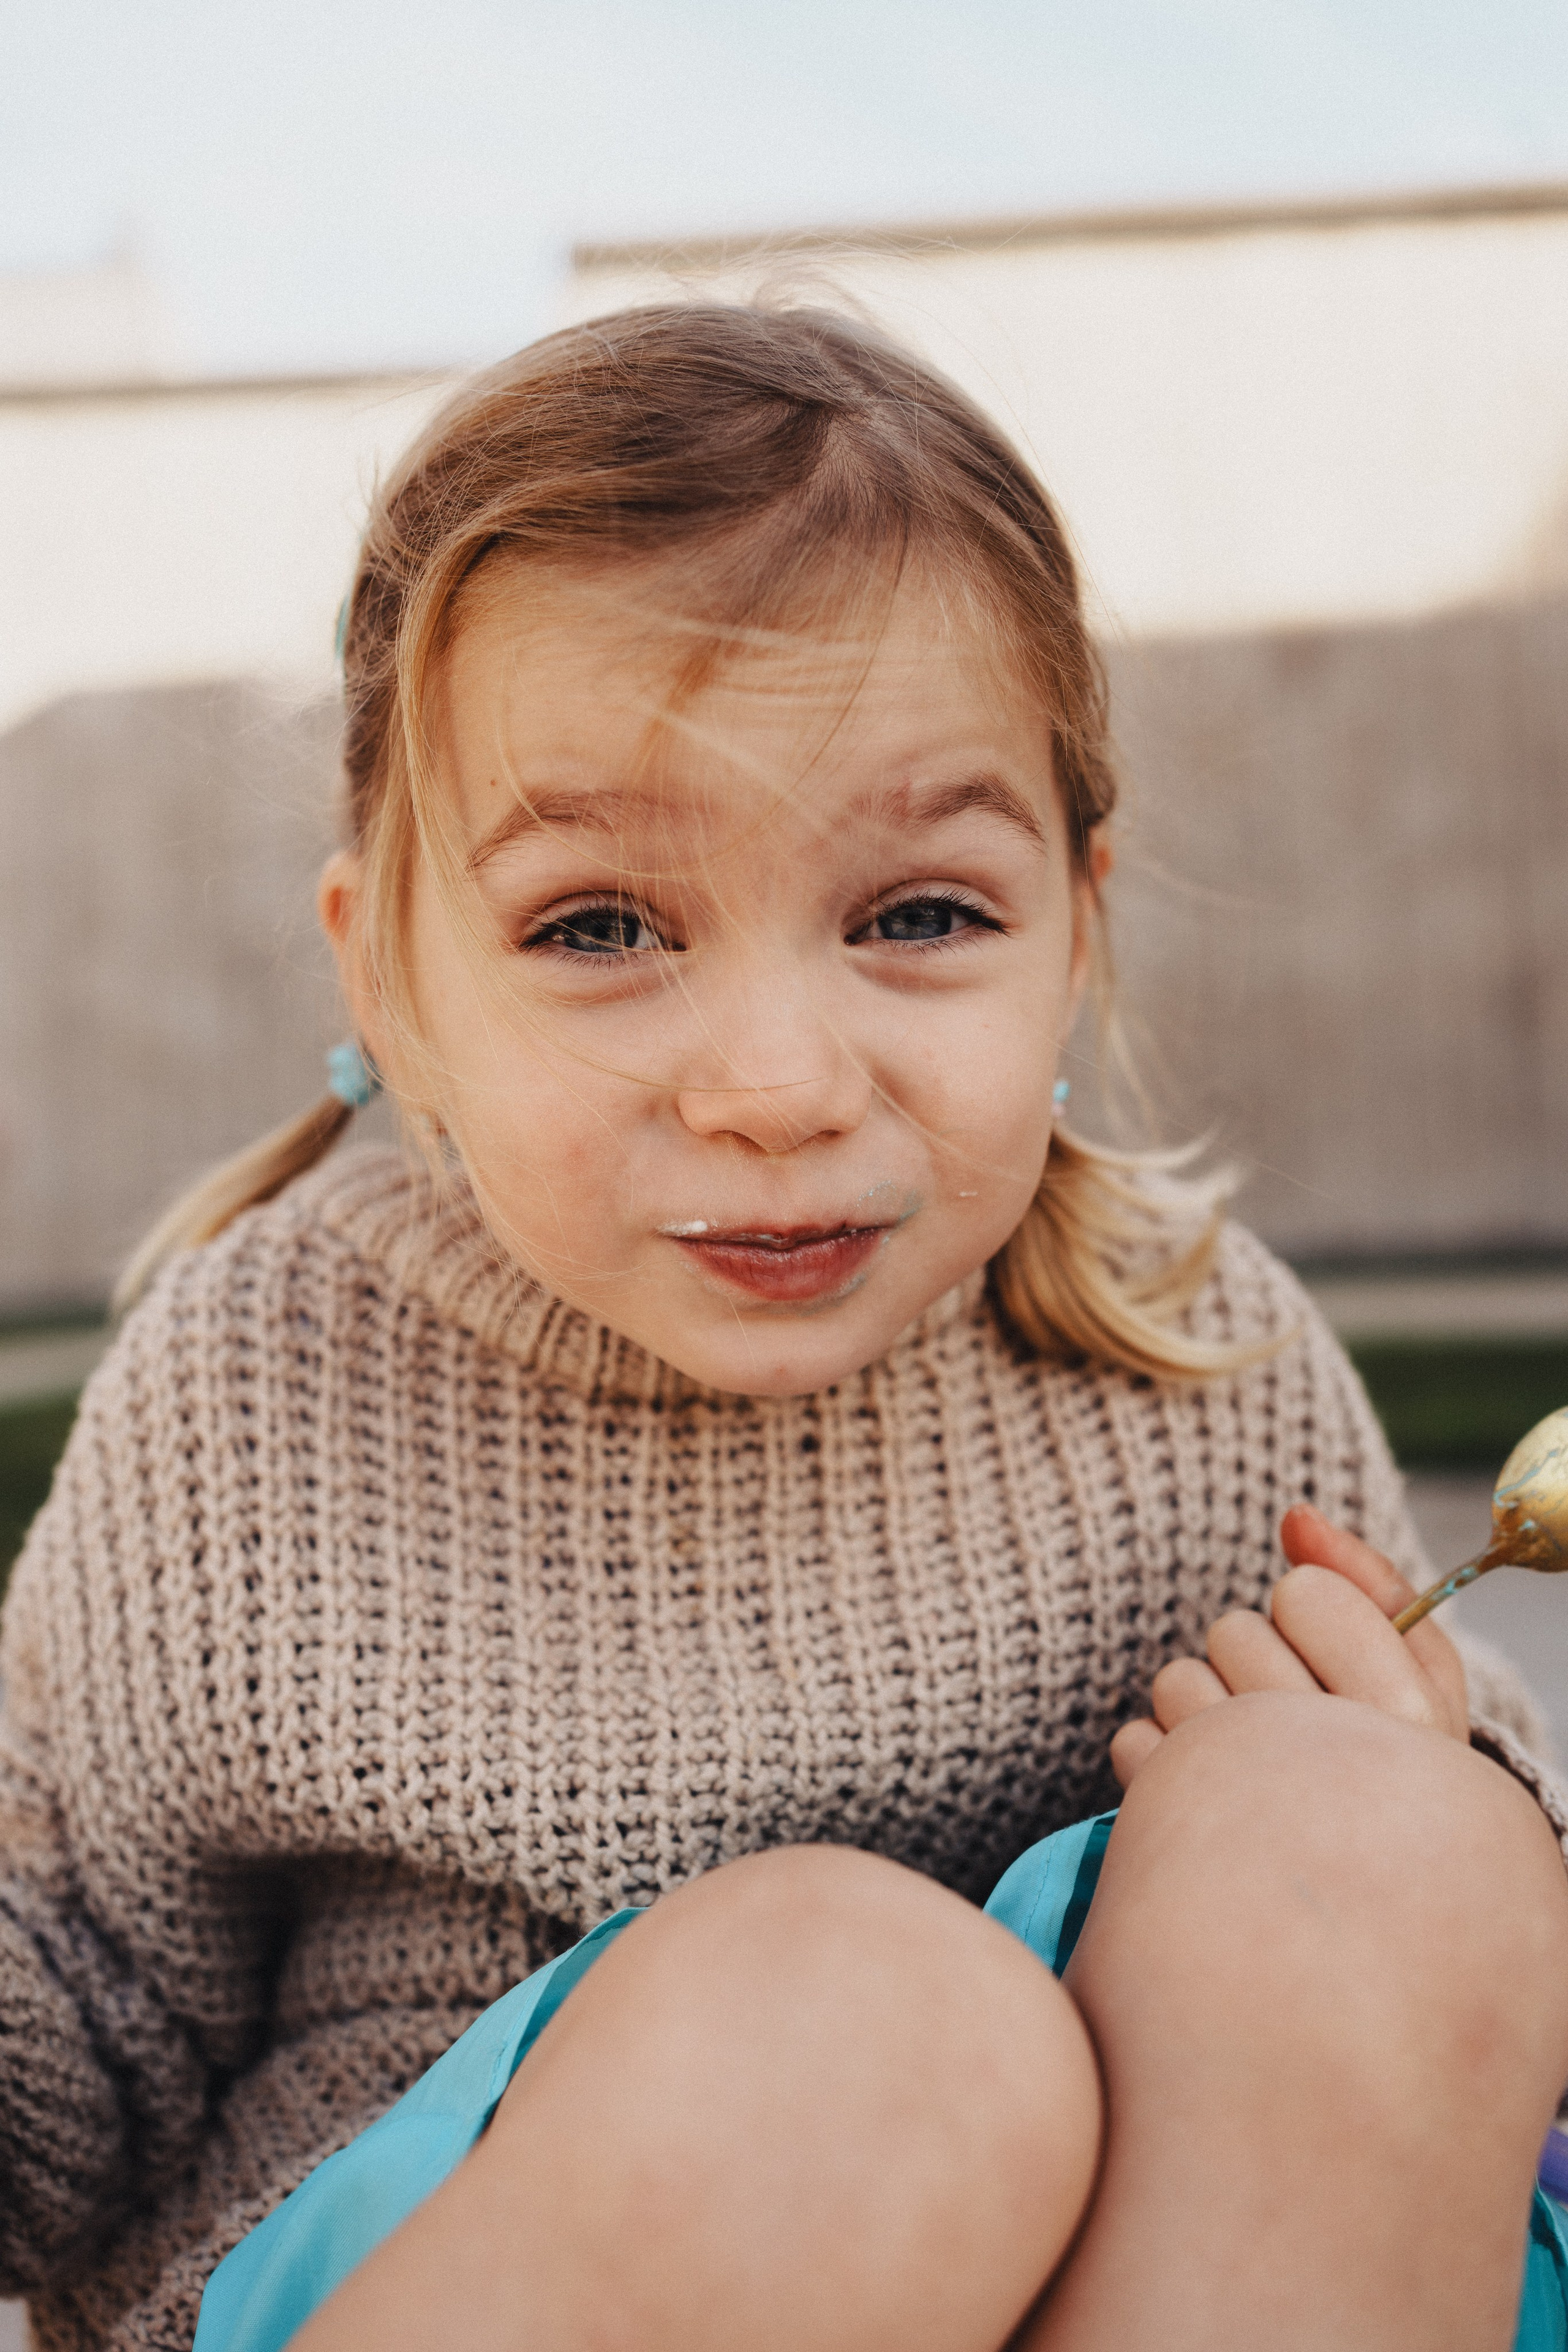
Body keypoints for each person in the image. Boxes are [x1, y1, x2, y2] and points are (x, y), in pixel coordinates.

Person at [4, 304, 1567, 2352]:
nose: (776, 1079)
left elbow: (1464, 2051)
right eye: (598, 927)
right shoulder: (259, 1389)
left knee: (1377, 1833)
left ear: (1075, 934)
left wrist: (1426, 1773)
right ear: (390, 978)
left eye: (918, 915)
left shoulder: (1190, 1356)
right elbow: (78, 2031)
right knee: (869, 2033)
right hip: (475, 2252)